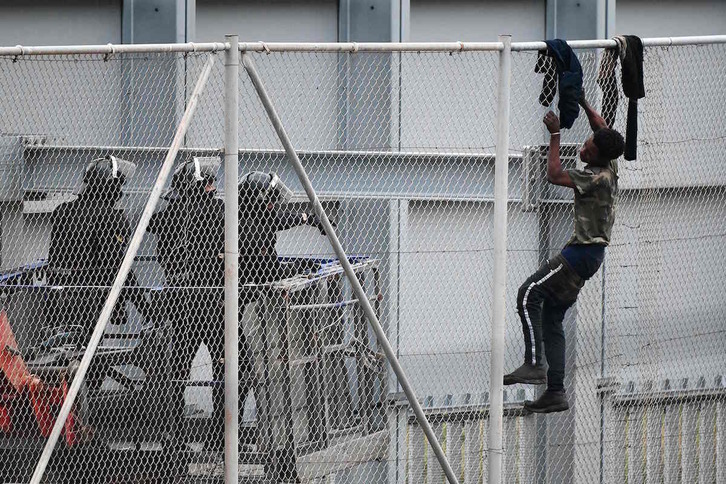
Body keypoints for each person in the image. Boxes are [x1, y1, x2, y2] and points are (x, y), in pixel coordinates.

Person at [503, 96, 624, 413]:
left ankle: (533, 364)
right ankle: (555, 392)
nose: (583, 151)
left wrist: (555, 135)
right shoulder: (610, 163)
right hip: (589, 258)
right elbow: (602, 126)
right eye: (586, 144)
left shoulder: (595, 177)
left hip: (579, 255)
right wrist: (581, 99)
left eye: (589, 151)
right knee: (552, 317)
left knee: (528, 292)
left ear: (600, 157)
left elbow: (554, 174)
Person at [147, 157, 225, 451]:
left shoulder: (168, 216)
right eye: (210, 182)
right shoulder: (218, 211)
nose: (214, 186)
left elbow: (154, 224)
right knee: (231, 363)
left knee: (178, 366)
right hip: (212, 300)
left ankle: (175, 436)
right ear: (200, 186)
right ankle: (219, 436)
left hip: (180, 300)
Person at [47, 155, 145, 345]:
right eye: (118, 186)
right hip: (88, 300)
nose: (120, 192)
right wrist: (143, 307)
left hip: (56, 296)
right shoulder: (111, 217)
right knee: (90, 357)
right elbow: (117, 266)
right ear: (109, 186)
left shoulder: (63, 211)